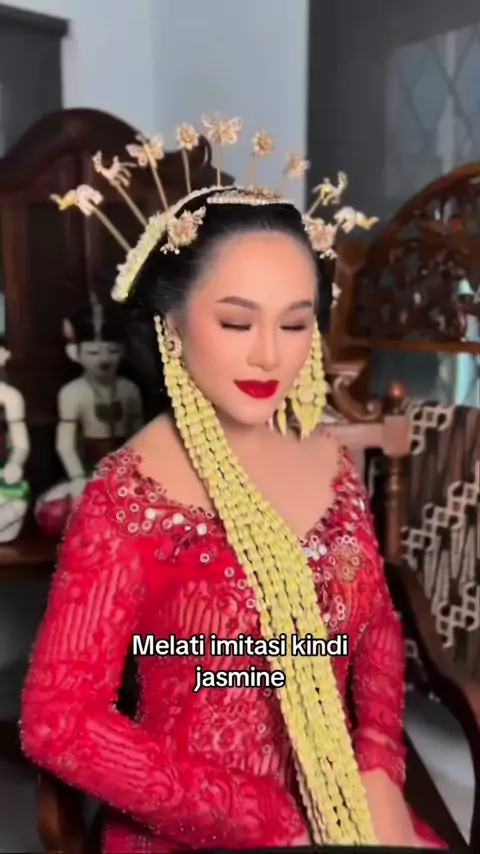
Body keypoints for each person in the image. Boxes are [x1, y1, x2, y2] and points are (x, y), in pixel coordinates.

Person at [20, 118, 446, 851]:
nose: (268, 355)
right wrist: (266, 819)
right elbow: (58, 720)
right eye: (236, 322)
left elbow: (376, 626)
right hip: (200, 828)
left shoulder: (329, 463)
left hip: (345, 805)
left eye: (295, 324)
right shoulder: (131, 497)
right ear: (173, 326)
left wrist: (378, 763)